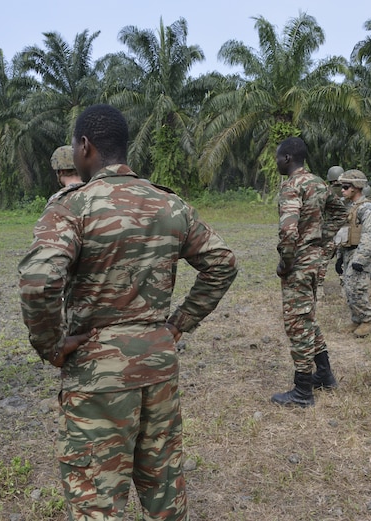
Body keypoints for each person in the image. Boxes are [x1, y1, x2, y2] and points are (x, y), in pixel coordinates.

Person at [18, 104, 238, 519]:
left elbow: (39, 280)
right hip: (158, 360)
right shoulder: (169, 205)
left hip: (98, 369)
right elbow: (222, 262)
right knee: (164, 478)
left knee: (97, 494)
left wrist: (51, 344)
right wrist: (178, 324)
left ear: (85, 147)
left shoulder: (73, 206)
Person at [270, 138, 338, 408]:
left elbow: (288, 230)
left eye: (277, 157)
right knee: (306, 317)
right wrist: (322, 241)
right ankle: (324, 374)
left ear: (287, 158)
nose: (276, 162)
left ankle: (303, 391)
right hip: (314, 262)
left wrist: (286, 262)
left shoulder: (292, 186)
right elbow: (340, 210)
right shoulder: (320, 183)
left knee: (297, 324)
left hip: (299, 264)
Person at [334, 170, 371, 337]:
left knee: (357, 289)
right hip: (348, 252)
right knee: (348, 288)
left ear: (356, 188)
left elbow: (370, 235)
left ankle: (367, 319)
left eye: (345, 187)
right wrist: (339, 257)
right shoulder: (349, 207)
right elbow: (344, 232)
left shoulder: (368, 209)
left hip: (361, 255)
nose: (342, 190)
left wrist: (360, 259)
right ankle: (356, 319)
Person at [317, 165, 348, 298]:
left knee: (323, 261)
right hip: (347, 233)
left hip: (329, 232)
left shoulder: (326, 191)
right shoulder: (350, 190)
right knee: (344, 261)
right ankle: (344, 287)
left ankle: (319, 289)